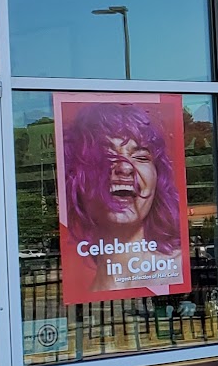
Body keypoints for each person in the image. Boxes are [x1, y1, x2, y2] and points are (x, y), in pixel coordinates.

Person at [60, 100, 183, 297]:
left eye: (141, 157)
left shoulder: (177, 269)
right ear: (75, 178)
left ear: (158, 180)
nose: (125, 167)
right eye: (105, 155)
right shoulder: (89, 292)